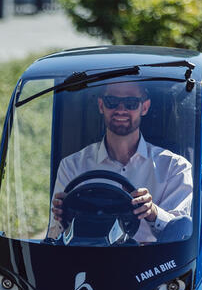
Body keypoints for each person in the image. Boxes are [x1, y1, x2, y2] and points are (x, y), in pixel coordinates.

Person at [47, 80, 193, 244]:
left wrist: (152, 212)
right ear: (101, 105)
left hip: (152, 265)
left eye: (131, 103)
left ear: (144, 107)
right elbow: (55, 238)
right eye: (112, 102)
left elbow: (180, 235)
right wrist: (61, 217)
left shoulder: (175, 167)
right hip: (86, 261)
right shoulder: (71, 166)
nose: (121, 109)